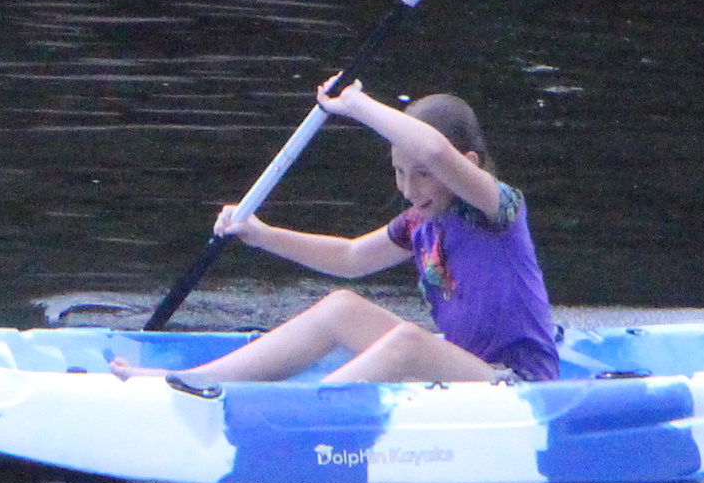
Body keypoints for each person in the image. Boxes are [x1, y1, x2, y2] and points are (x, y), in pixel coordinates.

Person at [118, 80, 561, 390]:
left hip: (523, 389)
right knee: (340, 308)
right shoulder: (419, 224)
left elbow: (433, 148)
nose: (409, 189)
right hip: (468, 375)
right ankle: (200, 382)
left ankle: (301, 413)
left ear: (468, 164)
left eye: (423, 175)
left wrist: (356, 104)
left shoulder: (497, 208)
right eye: (399, 172)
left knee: (407, 343)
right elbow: (350, 257)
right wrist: (262, 234)